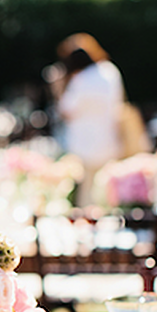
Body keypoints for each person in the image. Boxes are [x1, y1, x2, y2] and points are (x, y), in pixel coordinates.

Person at [53, 33, 125, 207]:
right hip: (109, 138)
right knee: (108, 193)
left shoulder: (81, 80)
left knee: (86, 198)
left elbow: (66, 110)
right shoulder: (110, 71)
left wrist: (58, 87)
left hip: (84, 145)